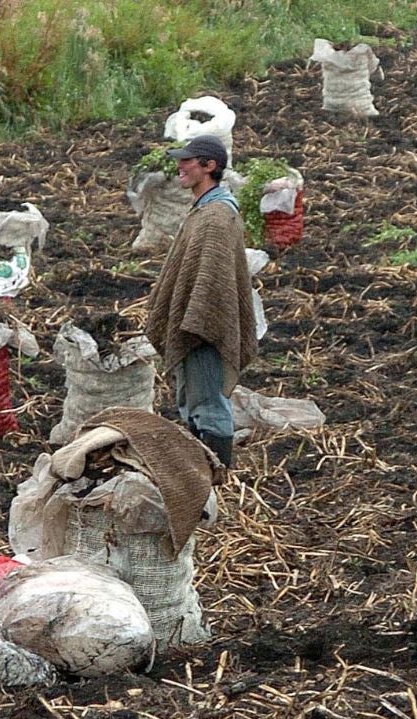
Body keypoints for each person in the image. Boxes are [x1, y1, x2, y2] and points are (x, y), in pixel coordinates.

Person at [144, 134, 257, 469]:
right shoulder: (204, 210)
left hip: (206, 325)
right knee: (192, 401)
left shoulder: (216, 217)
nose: (179, 166)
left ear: (210, 166)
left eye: (187, 161)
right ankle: (199, 475)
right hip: (196, 319)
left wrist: (199, 318)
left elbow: (214, 283)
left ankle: (216, 478)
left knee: (207, 404)